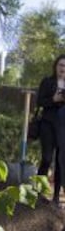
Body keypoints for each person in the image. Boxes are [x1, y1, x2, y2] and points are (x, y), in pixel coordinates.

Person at [36, 55, 65, 205]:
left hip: (63, 127)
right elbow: (39, 101)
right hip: (47, 124)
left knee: (61, 162)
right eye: (61, 65)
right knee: (46, 159)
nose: (63, 68)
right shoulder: (47, 82)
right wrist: (53, 100)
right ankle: (38, 194)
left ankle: (55, 198)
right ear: (55, 66)